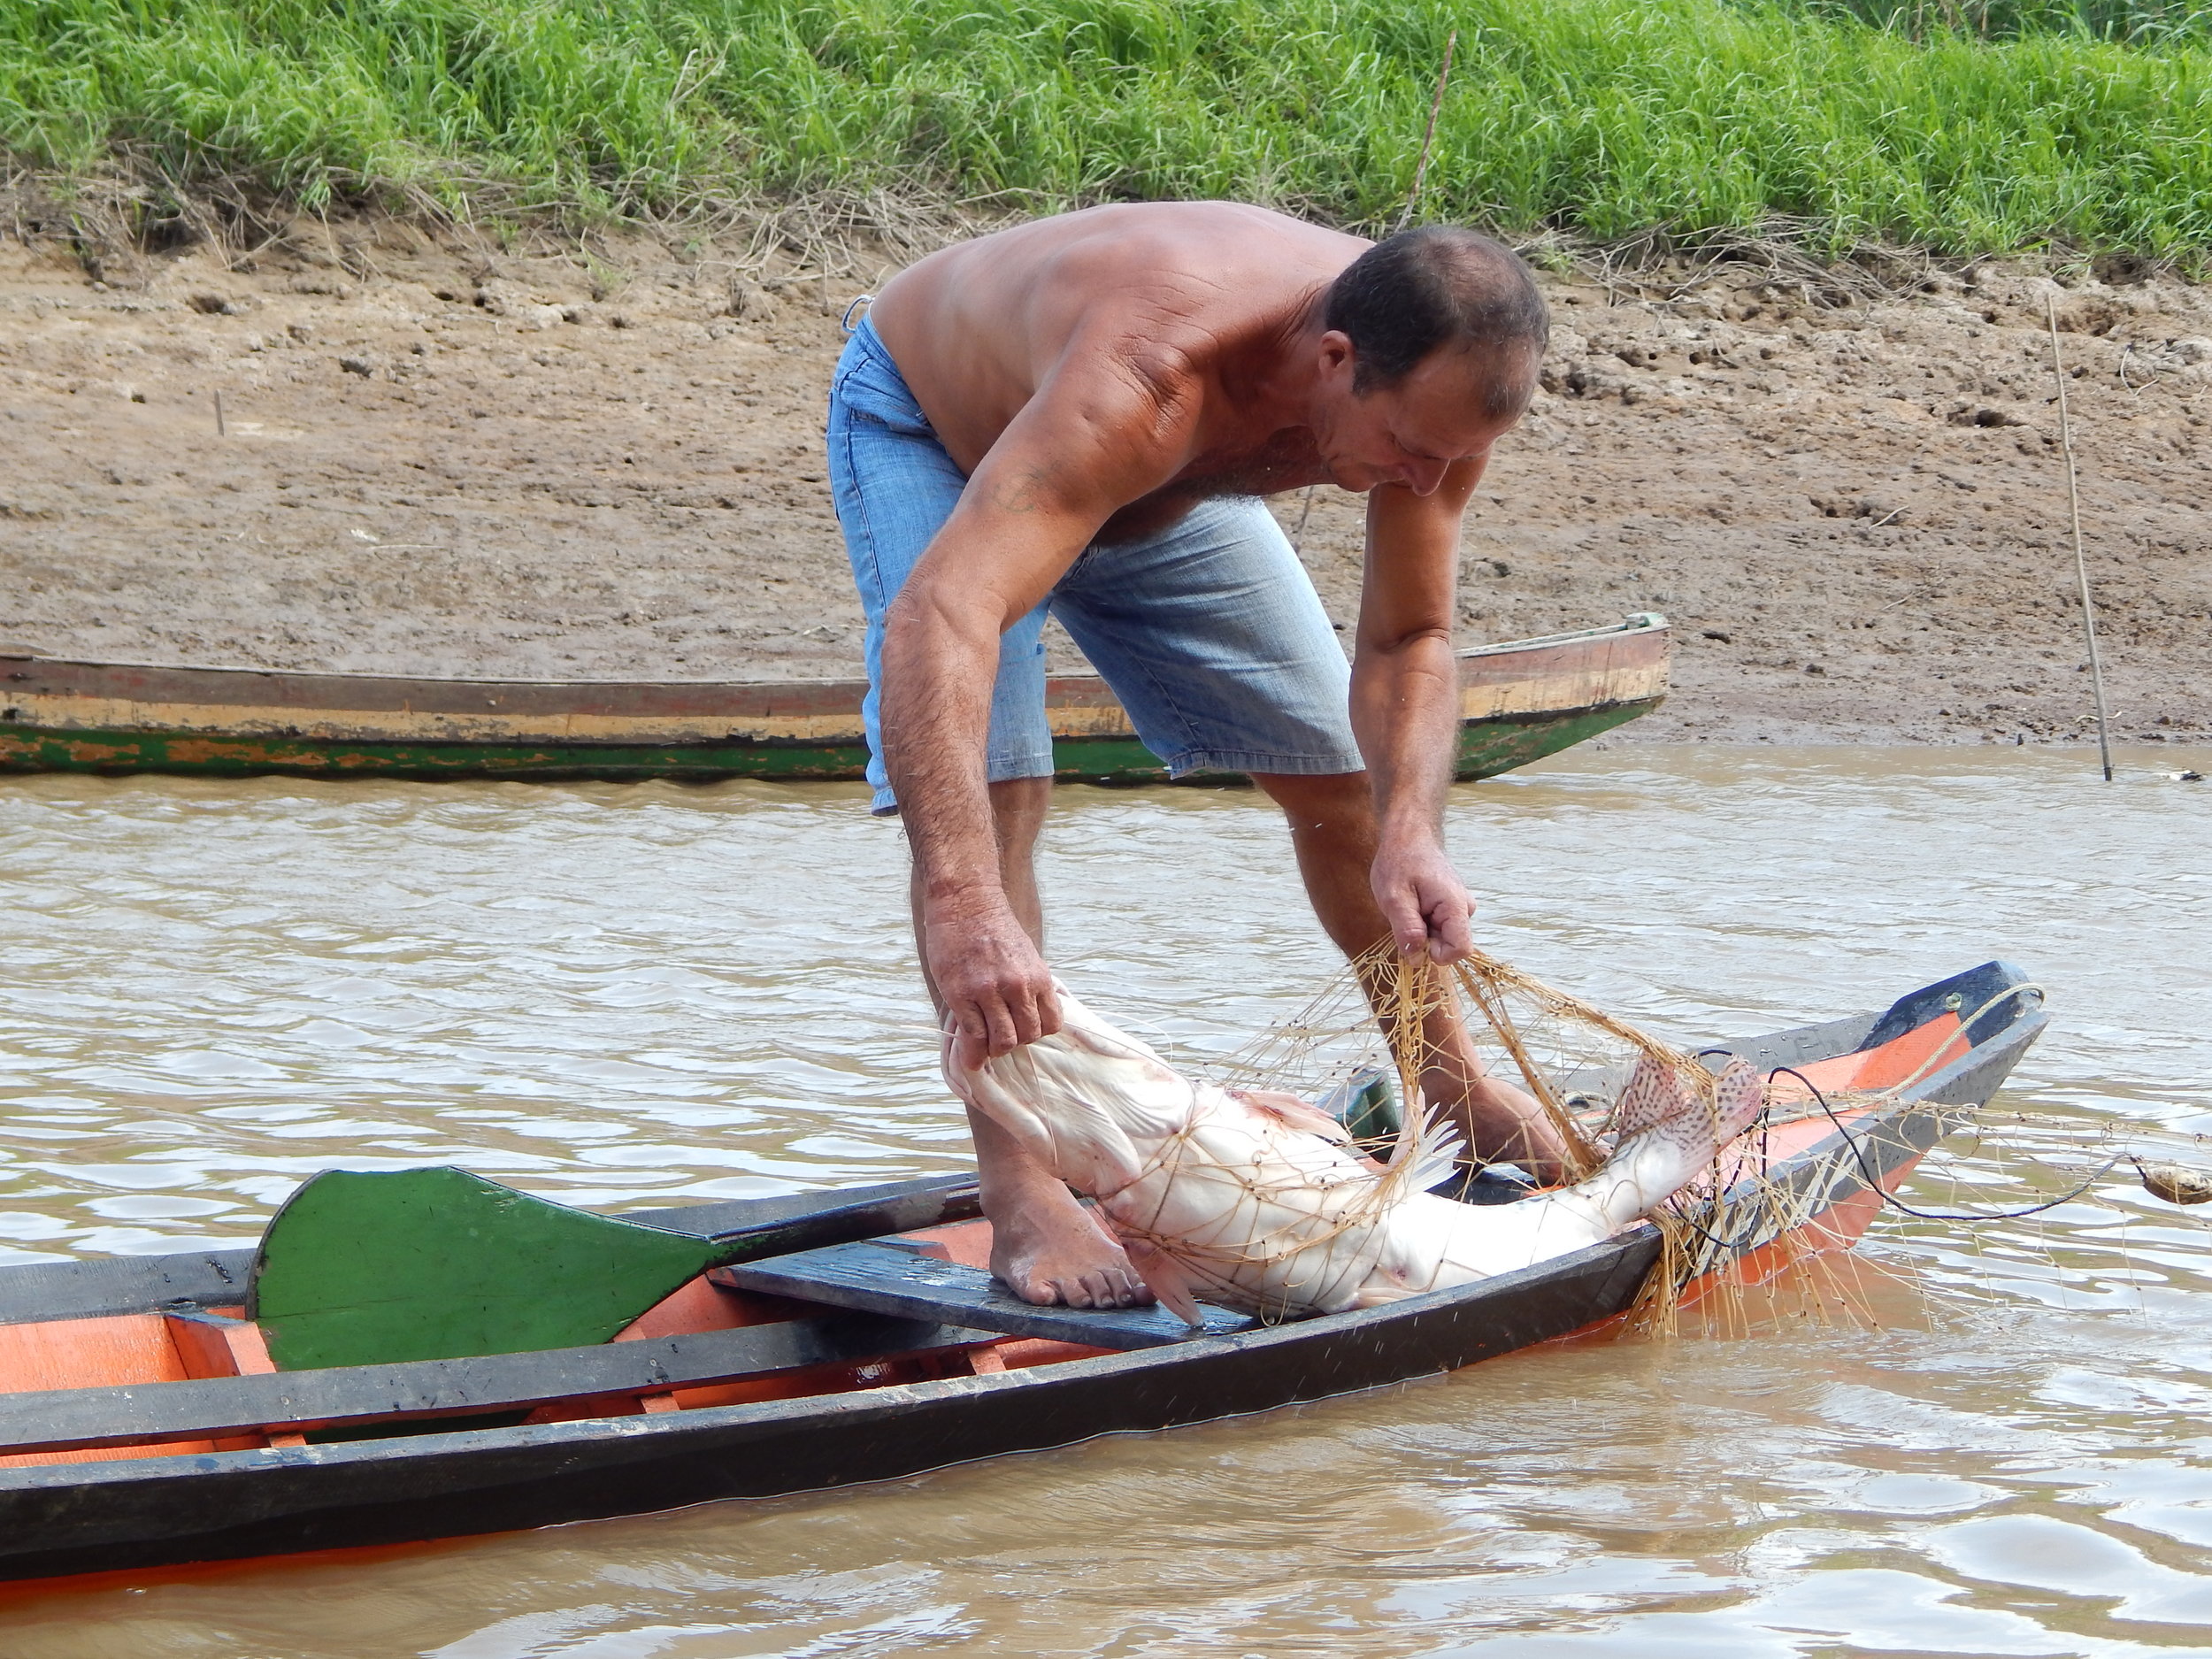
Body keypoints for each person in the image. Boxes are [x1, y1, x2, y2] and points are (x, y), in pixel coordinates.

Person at [826, 202, 1567, 1310]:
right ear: (1334, 360)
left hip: (1159, 493)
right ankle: (1025, 1191)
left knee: (1341, 779)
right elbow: (946, 610)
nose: (1428, 482)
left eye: (1453, 460)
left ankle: (1450, 1085)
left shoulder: (1437, 409)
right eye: (1412, 451)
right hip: (945, 431)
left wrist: (1411, 829)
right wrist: (960, 895)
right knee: (1000, 791)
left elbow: (1411, 638)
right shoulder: (1153, 375)